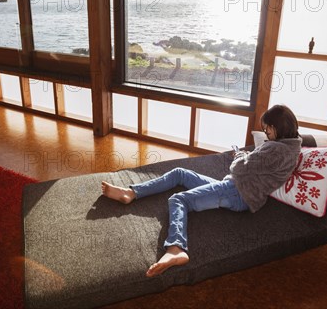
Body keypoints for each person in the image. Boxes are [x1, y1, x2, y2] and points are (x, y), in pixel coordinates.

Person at [101, 104, 302, 277]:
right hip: (239, 187)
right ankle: (132, 192)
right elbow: (258, 166)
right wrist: (248, 157)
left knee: (179, 200)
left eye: (267, 130)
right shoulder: (290, 147)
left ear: (276, 128)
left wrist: (241, 158)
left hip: (238, 192)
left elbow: (239, 168)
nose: (265, 133)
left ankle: (176, 248)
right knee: (180, 173)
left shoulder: (276, 150)